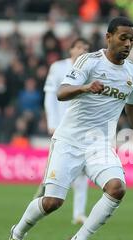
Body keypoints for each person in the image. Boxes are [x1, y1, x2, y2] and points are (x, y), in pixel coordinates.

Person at [5, 17, 133, 240]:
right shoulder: (89, 61)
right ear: (108, 37)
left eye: (132, 39)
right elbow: (61, 92)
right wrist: (85, 87)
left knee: (117, 189)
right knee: (52, 202)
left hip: (100, 145)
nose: (128, 44)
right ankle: (17, 234)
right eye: (123, 38)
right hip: (69, 141)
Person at [41, 37, 90, 225]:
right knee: (55, 169)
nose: (82, 50)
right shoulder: (58, 67)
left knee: (82, 171)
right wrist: (51, 122)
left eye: (85, 48)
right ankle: (43, 199)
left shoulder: (90, 69)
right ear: (70, 50)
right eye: (79, 47)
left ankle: (78, 214)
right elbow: (50, 97)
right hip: (61, 127)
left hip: (80, 128)